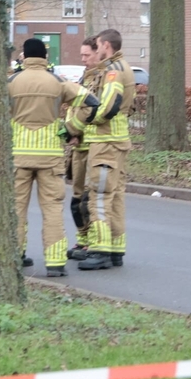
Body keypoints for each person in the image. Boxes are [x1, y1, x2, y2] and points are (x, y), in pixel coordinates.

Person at [9, 38, 99, 277]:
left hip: (17, 156)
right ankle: (55, 263)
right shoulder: (58, 82)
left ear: (24, 56)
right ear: (45, 57)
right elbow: (91, 102)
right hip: (50, 157)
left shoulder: (11, 82)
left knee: (16, 210)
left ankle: (15, 257)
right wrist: (71, 128)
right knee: (52, 210)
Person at [80, 29, 136, 270]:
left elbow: (109, 105)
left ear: (106, 45)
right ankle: (115, 248)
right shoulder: (124, 66)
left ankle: (100, 249)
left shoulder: (113, 70)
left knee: (100, 195)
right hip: (118, 141)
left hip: (106, 143)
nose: (97, 48)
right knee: (115, 197)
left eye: (99, 45)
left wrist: (89, 120)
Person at [66, 37, 103, 262]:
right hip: (79, 146)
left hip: (93, 146)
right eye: (81, 55)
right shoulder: (84, 77)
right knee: (77, 200)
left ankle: (92, 242)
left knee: (90, 199)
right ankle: (82, 238)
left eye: (87, 55)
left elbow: (93, 110)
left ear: (98, 53)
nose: (83, 59)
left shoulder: (102, 78)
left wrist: (72, 129)